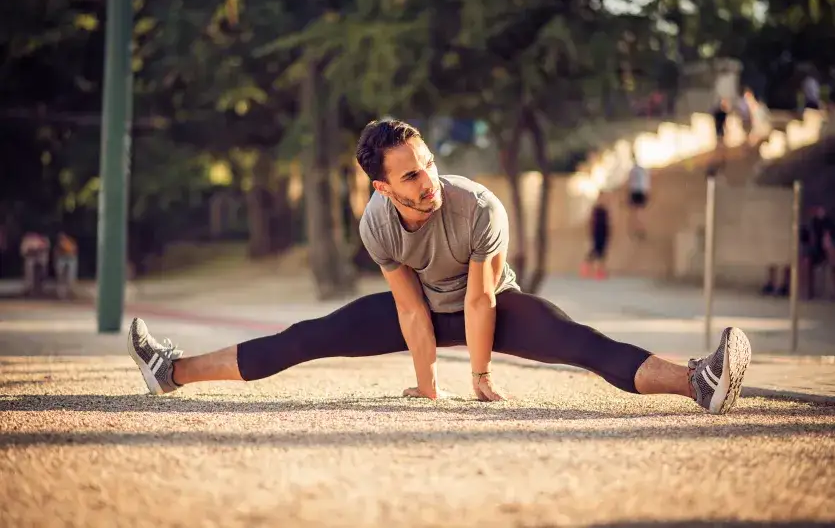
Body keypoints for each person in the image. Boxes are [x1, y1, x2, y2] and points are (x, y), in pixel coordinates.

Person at [127, 119, 752, 414]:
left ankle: (699, 379)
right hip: (426, 306)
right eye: (408, 176)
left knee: (581, 342)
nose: (426, 183)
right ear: (380, 187)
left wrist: (477, 375)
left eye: (426, 165)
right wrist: (429, 386)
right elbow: (407, 309)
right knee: (305, 337)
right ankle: (171, 370)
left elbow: (481, 303)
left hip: (491, 306)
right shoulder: (376, 224)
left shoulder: (479, 206)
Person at [580, 192, 610, 280]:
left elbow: (608, 223)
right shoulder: (595, 209)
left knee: (601, 253)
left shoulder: (605, 209)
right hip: (596, 232)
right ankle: (588, 267)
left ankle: (599, 271)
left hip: (603, 232)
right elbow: (590, 221)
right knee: (595, 251)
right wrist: (589, 232)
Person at [626, 152, 650, 239]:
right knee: (641, 212)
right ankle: (642, 229)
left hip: (634, 191)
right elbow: (646, 182)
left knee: (634, 213)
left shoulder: (632, 171)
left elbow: (630, 183)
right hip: (642, 191)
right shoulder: (643, 170)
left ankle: (636, 230)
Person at [53, 232, 79, 299]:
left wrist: (70, 251)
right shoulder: (58, 245)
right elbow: (56, 254)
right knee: (61, 278)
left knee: (70, 278)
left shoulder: (71, 243)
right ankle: (61, 295)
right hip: (62, 260)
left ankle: (69, 293)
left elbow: (74, 251)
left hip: (70, 260)